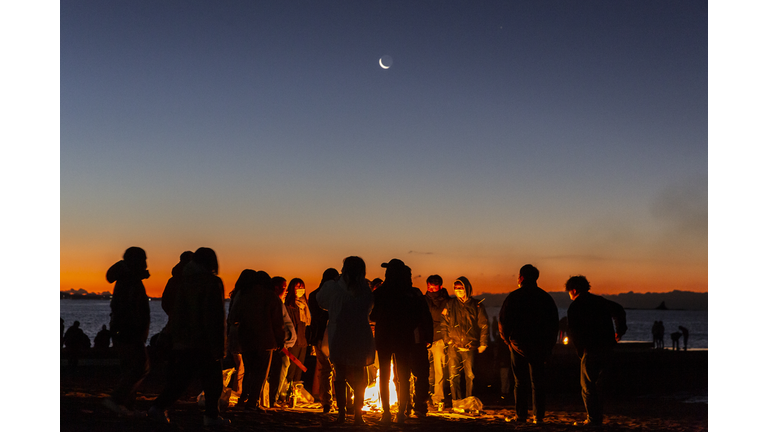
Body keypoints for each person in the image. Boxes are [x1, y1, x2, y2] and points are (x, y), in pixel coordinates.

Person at [147, 247, 230, 426]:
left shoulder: (185, 282)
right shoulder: (212, 282)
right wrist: (219, 344)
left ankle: (158, 406)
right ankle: (211, 416)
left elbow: (176, 311)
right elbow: (214, 316)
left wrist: (172, 334)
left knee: (181, 380)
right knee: (213, 381)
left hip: (184, 340)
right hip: (205, 341)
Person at [316, 256, 376, 425]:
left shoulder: (334, 288)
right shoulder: (365, 289)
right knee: (359, 374)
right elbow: (370, 307)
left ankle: (342, 414)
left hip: (340, 333)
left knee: (340, 374)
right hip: (360, 334)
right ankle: (358, 415)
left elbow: (321, 301)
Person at [498, 264, 560, 424]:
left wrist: (508, 341)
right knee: (538, 382)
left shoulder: (514, 297)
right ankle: (538, 416)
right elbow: (554, 324)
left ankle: (521, 415)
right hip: (540, 346)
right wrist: (549, 346)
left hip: (518, 345)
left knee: (520, 382)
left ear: (522, 278)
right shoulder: (545, 298)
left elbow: (503, 322)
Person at [565, 275, 627, 427]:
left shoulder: (575, 306)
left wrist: (581, 351)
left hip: (590, 350)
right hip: (607, 346)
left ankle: (593, 419)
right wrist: (619, 331)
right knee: (599, 385)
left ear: (574, 290)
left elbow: (574, 333)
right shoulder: (600, 301)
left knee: (587, 386)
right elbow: (619, 310)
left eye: (569, 291)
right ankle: (596, 417)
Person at [370, 258, 422, 423]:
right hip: (403, 338)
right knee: (403, 376)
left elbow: (372, 315)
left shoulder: (379, 293)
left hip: (384, 337)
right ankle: (401, 411)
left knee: (384, 376)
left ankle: (386, 412)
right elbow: (417, 317)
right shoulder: (410, 293)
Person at [102, 247, 151, 416]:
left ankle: (127, 405)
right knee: (139, 367)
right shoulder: (130, 280)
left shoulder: (128, 279)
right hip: (129, 331)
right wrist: (136, 328)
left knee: (130, 368)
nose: (146, 263)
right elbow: (130, 308)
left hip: (124, 330)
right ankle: (117, 400)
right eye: (143, 260)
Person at [227, 270, 284, 411]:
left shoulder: (243, 295)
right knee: (261, 373)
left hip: (246, 338)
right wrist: (280, 339)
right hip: (266, 340)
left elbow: (233, 317)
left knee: (249, 370)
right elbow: (278, 322)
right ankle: (253, 400)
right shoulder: (271, 297)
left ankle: (243, 398)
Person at [441, 276, 490, 404]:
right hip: (454, 345)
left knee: (470, 375)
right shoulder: (450, 304)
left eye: (461, 288)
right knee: (453, 375)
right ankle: (456, 402)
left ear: (467, 288)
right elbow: (444, 324)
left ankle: (470, 401)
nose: (458, 291)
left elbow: (484, 325)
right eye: (456, 288)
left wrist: (483, 343)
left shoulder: (477, 305)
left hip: (470, 345)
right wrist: (447, 340)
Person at [307, 268, 339, 413]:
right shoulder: (337, 296)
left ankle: (326, 402)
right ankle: (340, 400)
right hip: (333, 334)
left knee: (325, 369)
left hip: (318, 335)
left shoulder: (314, 295)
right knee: (338, 369)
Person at [268, 276, 297, 407]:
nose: (286, 291)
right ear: (276, 287)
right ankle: (272, 399)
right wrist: (280, 341)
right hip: (279, 344)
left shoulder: (279, 302)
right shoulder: (275, 302)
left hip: (282, 343)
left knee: (281, 368)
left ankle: (273, 398)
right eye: (284, 288)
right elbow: (278, 323)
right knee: (279, 369)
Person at [283, 278, 312, 405]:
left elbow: (307, 323)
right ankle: (286, 394)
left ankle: (296, 394)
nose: (300, 289)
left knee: (299, 370)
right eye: (297, 287)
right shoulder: (289, 305)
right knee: (291, 368)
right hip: (293, 340)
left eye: (302, 286)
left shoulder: (305, 304)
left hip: (303, 340)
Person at [424, 274, 450, 410]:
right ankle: (424, 397)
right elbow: (433, 316)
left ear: (440, 286)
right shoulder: (423, 300)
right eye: (429, 287)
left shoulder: (447, 301)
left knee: (439, 370)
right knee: (424, 370)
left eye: (434, 288)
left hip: (439, 339)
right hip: (425, 339)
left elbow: (434, 315)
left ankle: (438, 398)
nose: (431, 290)